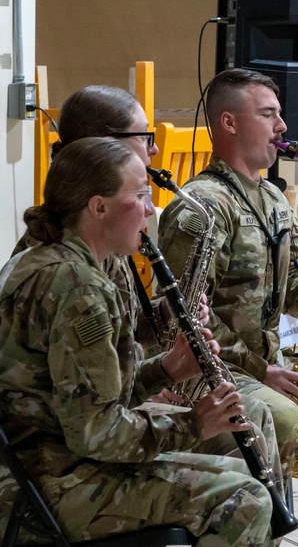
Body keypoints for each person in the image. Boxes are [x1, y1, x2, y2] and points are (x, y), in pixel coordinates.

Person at [0, 138, 273, 545]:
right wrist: (194, 423)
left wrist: (166, 368)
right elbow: (96, 433)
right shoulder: (78, 289)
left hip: (50, 463)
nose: (150, 209)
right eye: (141, 195)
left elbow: (87, 397)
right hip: (49, 483)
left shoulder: (48, 258)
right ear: (99, 206)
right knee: (246, 498)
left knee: (241, 474)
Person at [157, 68, 298, 547]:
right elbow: (180, 316)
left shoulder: (274, 198)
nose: (283, 126)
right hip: (213, 372)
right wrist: (263, 370)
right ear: (229, 123)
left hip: (266, 367)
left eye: (279, 114)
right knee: (279, 417)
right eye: (268, 114)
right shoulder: (201, 206)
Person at [13, 84, 282, 471]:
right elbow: (90, 417)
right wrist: (184, 414)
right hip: (62, 455)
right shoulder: (67, 266)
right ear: (108, 145)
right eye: (146, 136)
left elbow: (112, 337)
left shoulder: (99, 236)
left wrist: (167, 322)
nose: (154, 149)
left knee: (251, 423)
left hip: (95, 423)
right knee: (243, 479)